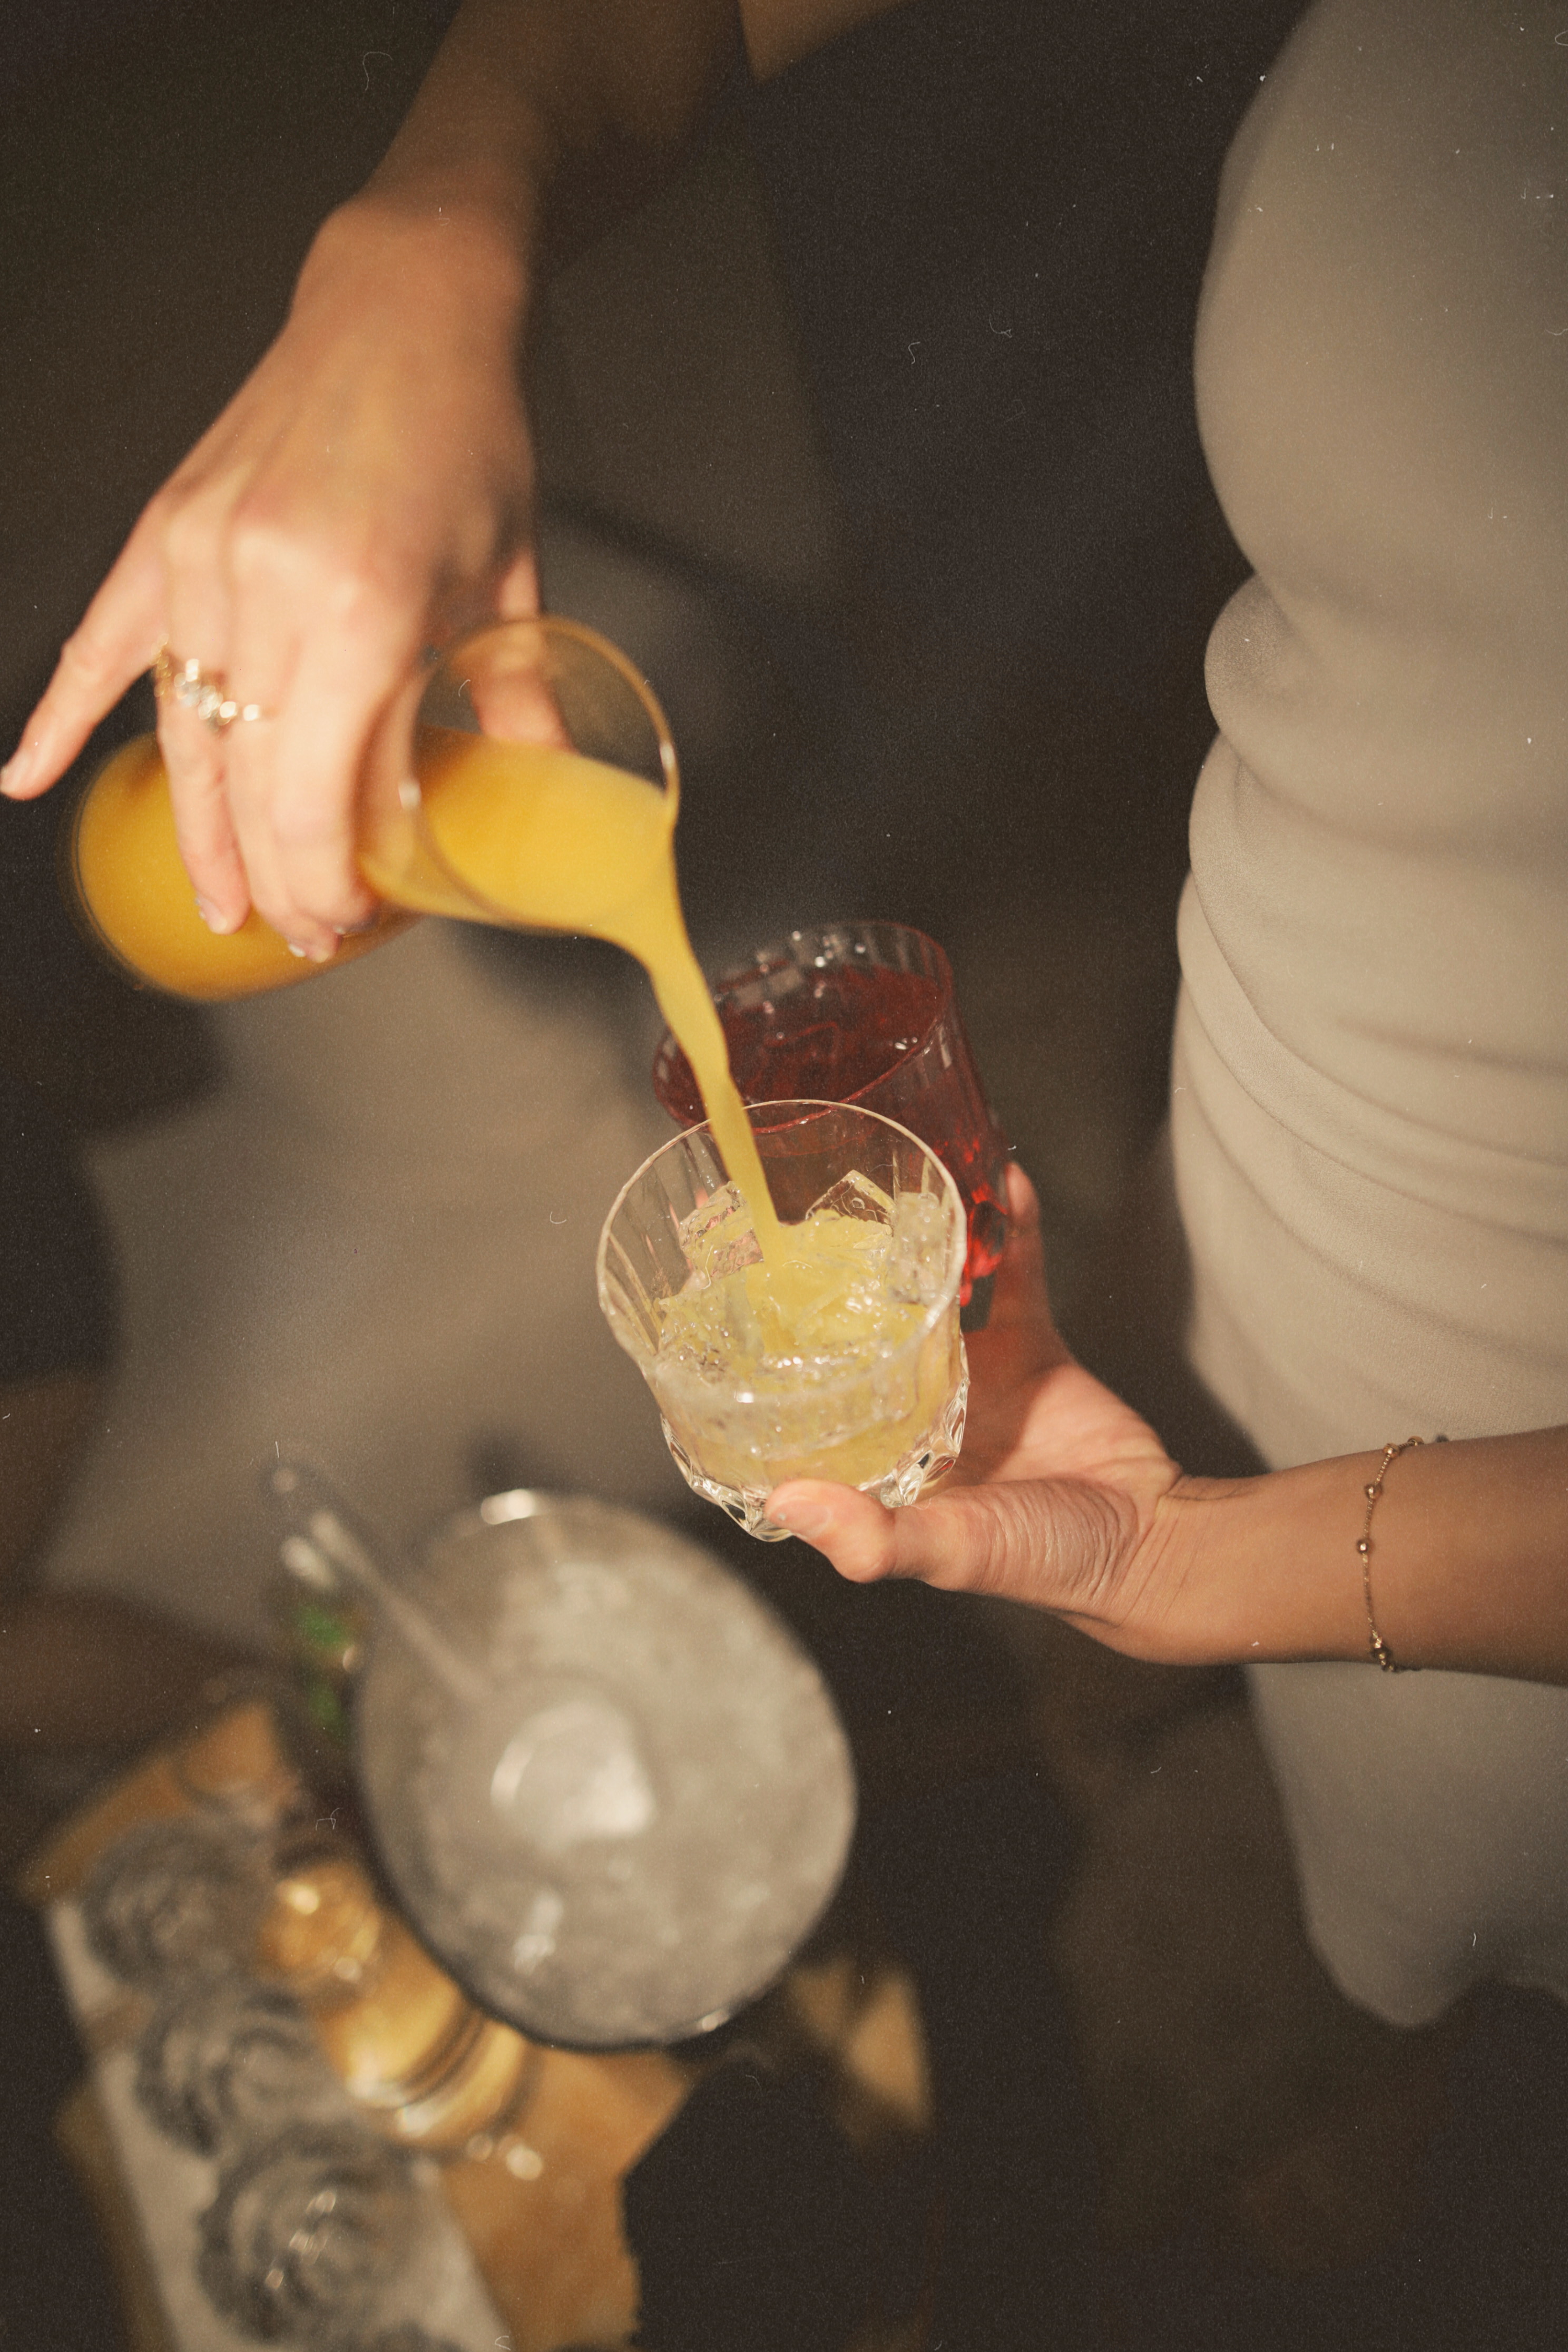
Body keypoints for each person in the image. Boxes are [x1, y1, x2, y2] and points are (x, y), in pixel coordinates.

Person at [4, 0, 1565, 2040]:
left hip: (1493, 1623)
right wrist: (433, 231)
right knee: (1155, 1324)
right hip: (1261, 1115)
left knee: (1398, 1920)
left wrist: (1237, 1575)